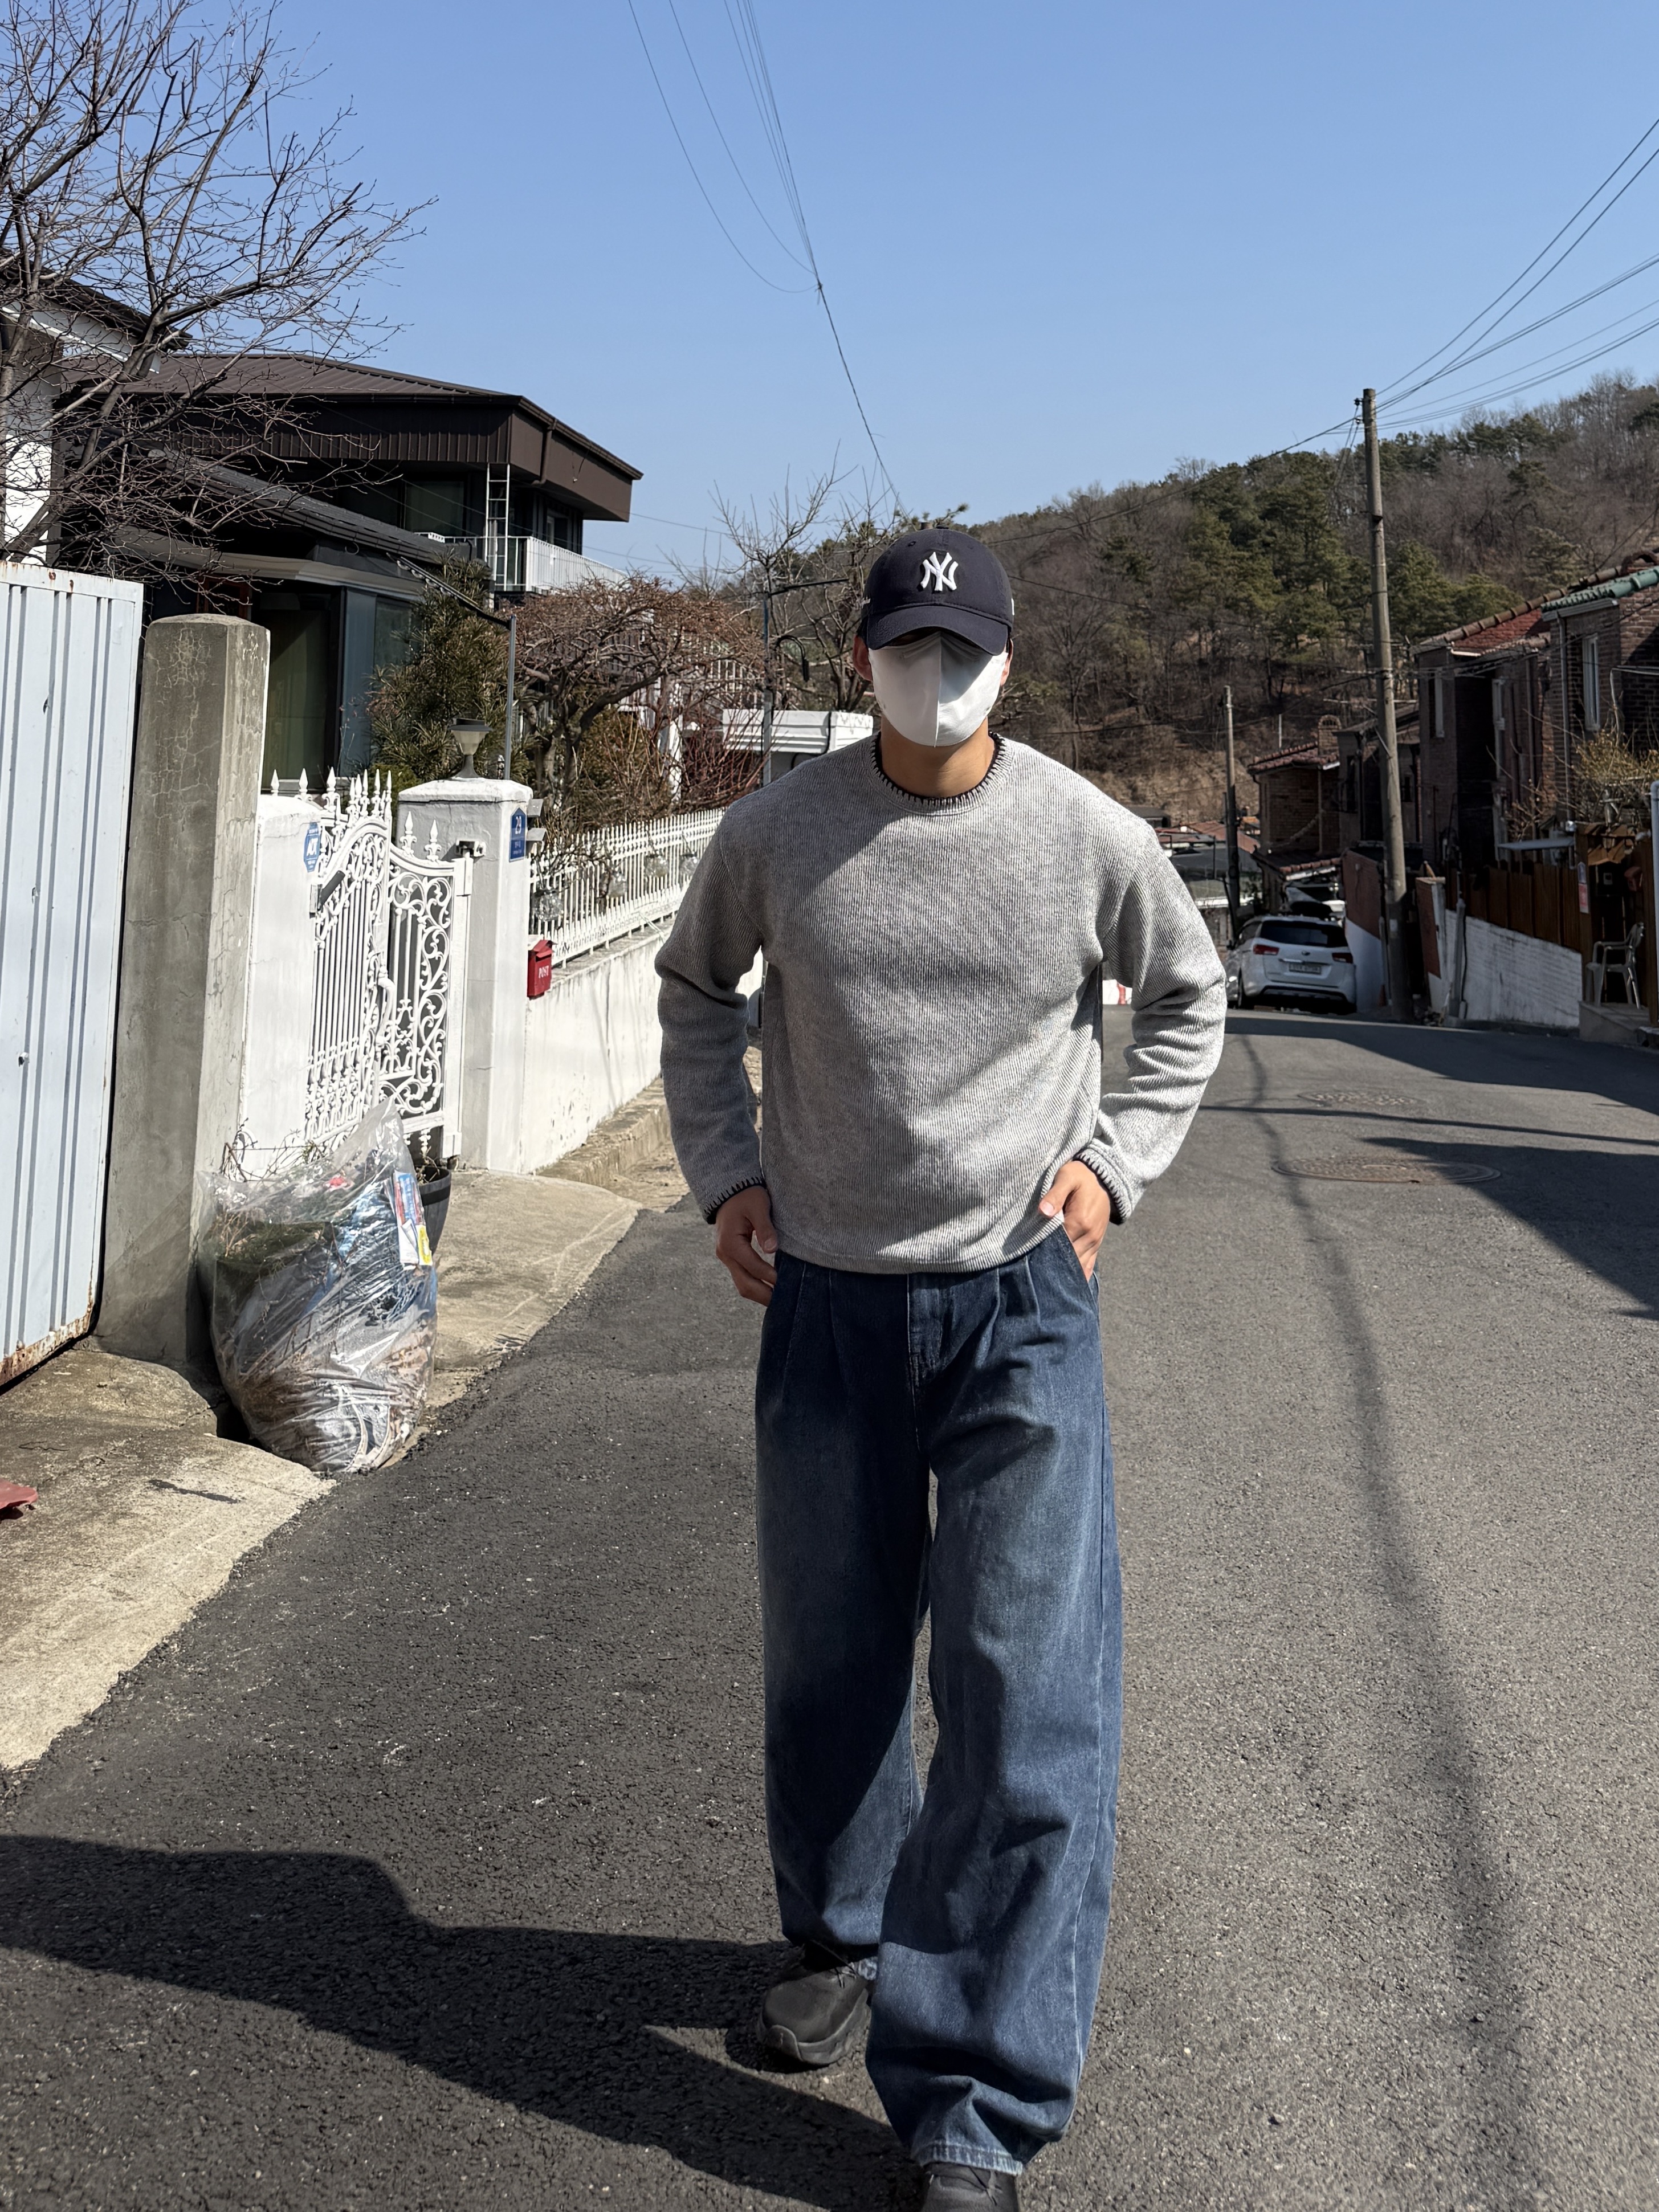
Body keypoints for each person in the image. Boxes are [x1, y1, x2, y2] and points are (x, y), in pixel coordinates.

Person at [656, 527, 1225, 2209]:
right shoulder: (776, 835)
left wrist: (1110, 1166)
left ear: (1006, 658)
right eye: (907, 644)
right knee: (829, 1658)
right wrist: (728, 1171)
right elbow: (695, 994)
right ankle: (839, 1937)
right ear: (862, 661)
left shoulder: (1083, 834)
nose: (935, 671)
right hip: (827, 1297)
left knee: (1023, 1693)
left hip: (1017, 1308)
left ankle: (973, 2099)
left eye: (962, 645)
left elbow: (1188, 993)